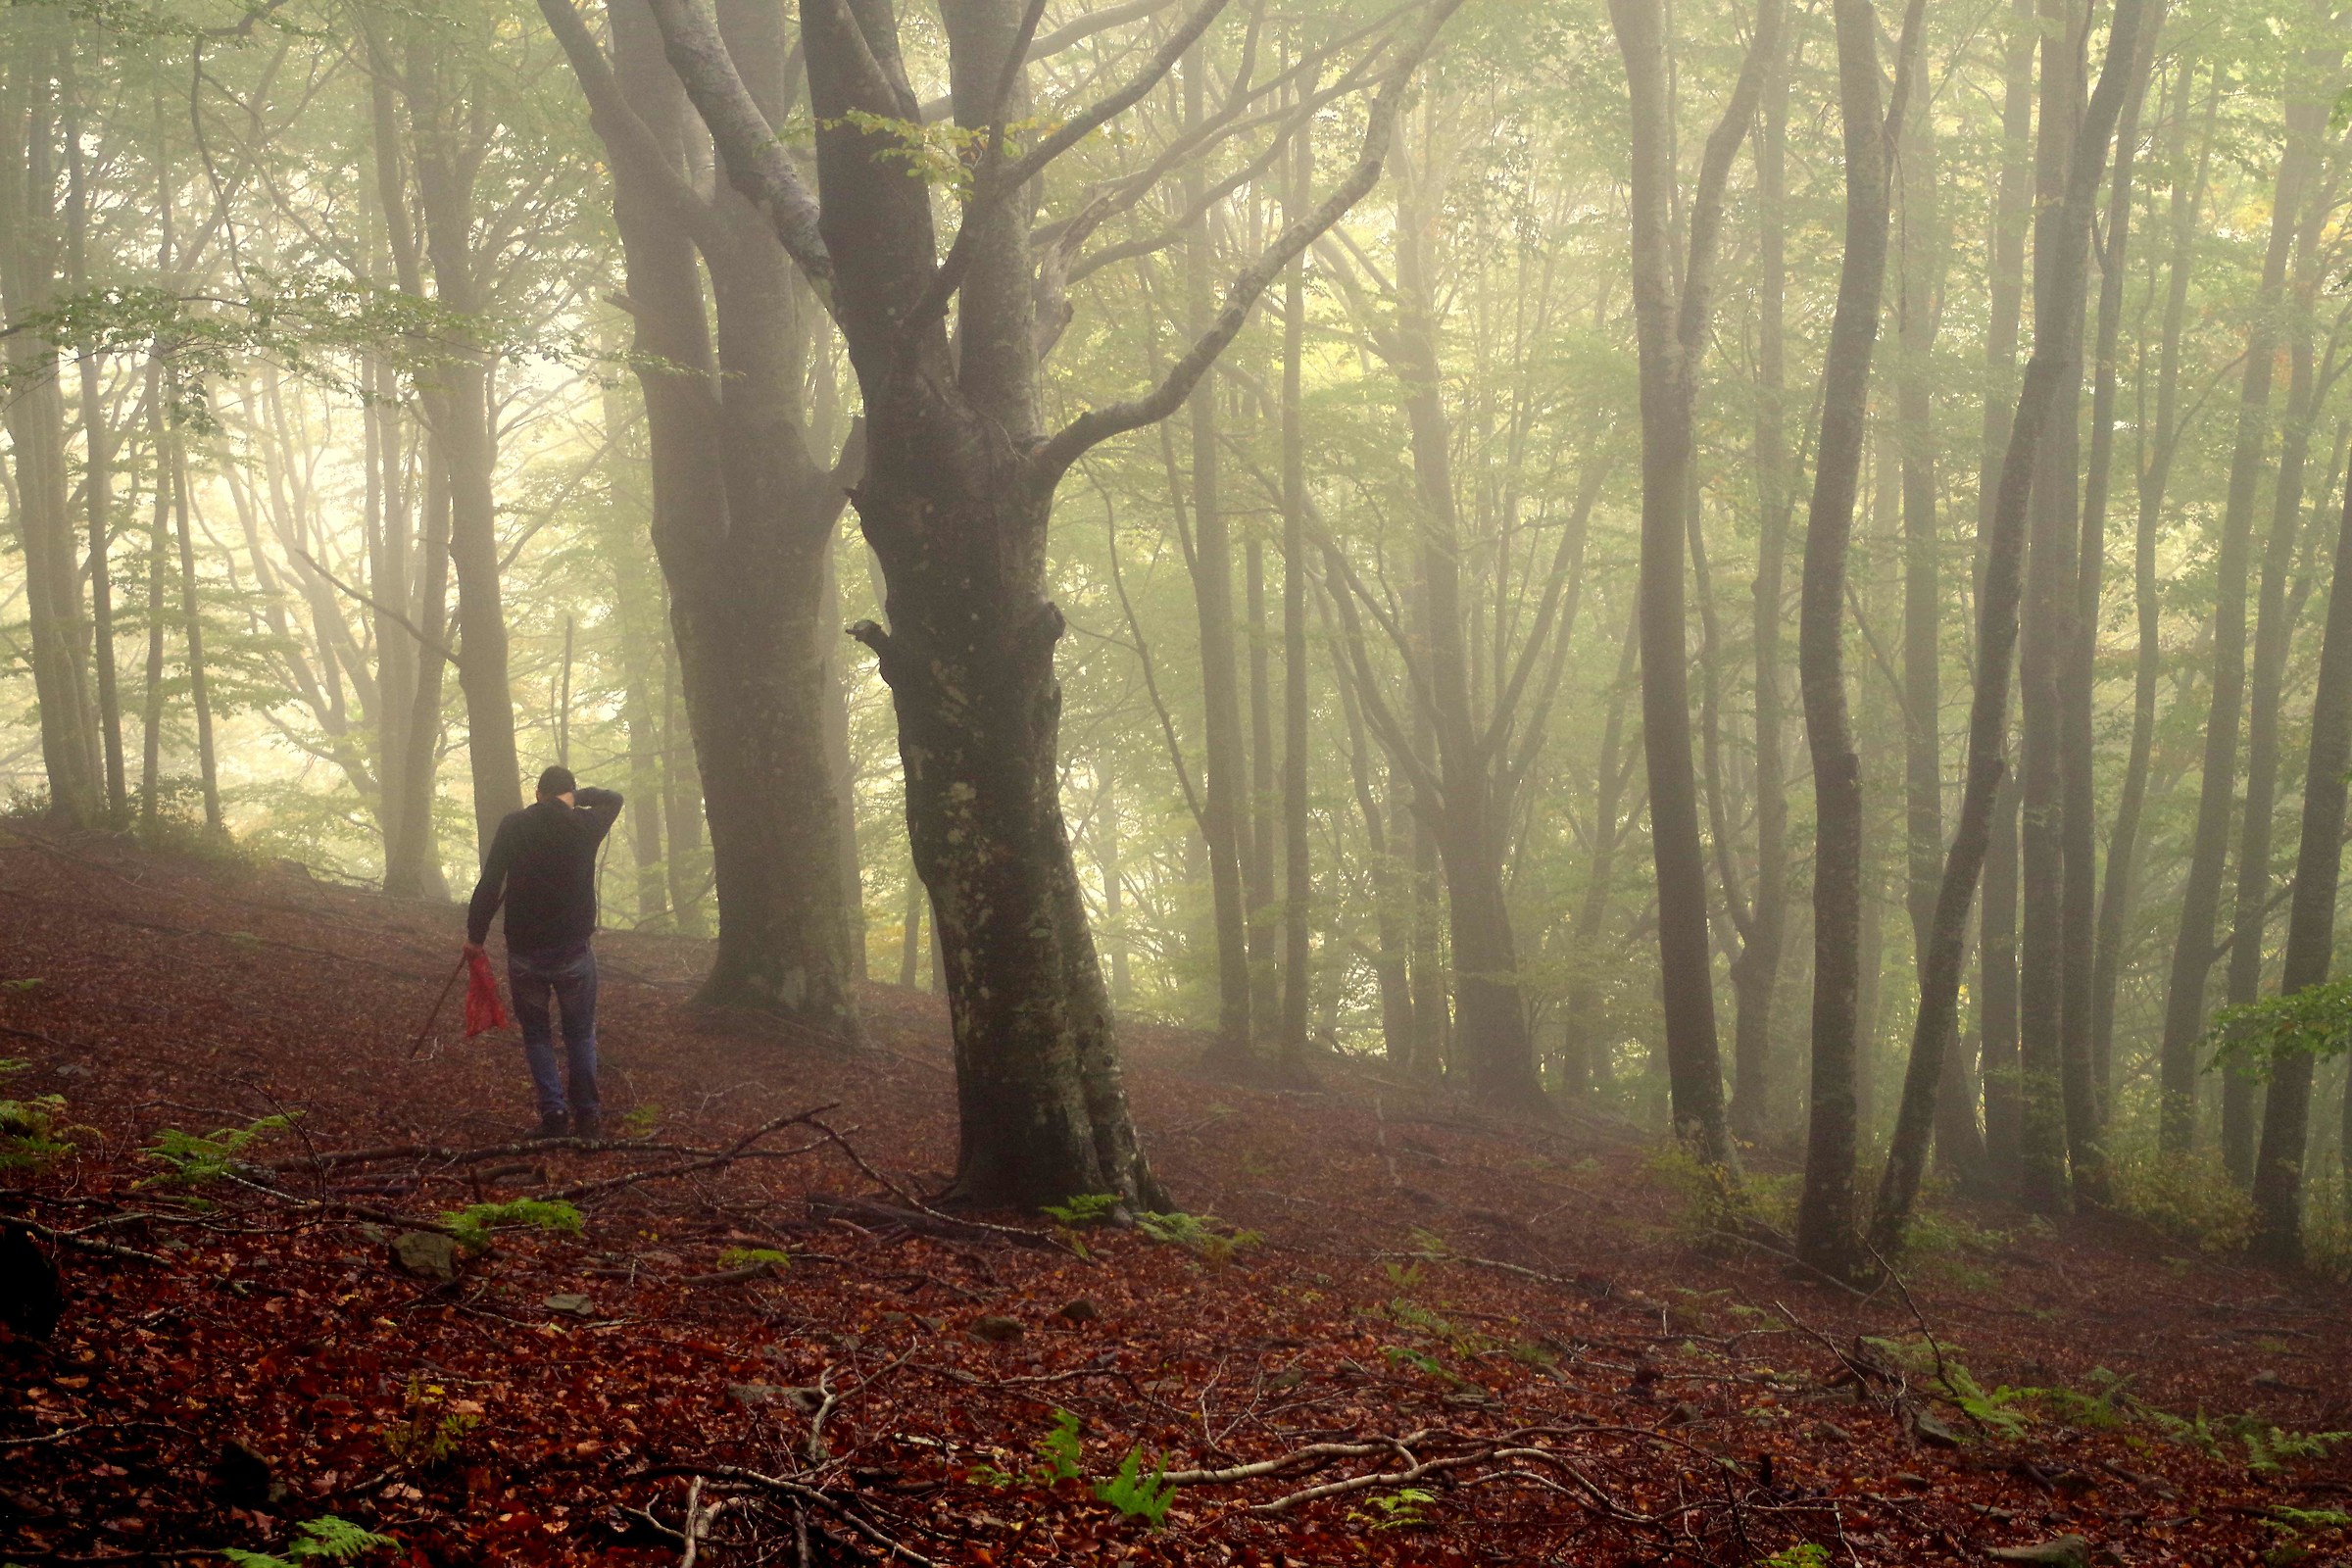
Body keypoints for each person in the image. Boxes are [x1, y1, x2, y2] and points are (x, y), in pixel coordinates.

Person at [466, 766, 623, 1140]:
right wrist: (574, 796)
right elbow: (614, 798)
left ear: (537, 793)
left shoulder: (514, 825)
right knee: (580, 1033)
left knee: (537, 1035)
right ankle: (587, 1116)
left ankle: (554, 1115)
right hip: (573, 950)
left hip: (526, 951)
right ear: (568, 794)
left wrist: (476, 936)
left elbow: (490, 882)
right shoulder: (585, 825)